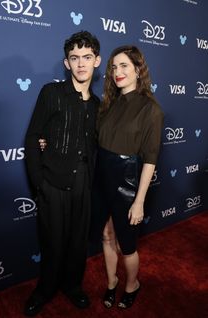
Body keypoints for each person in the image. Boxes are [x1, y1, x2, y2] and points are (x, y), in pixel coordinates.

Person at [24, 30, 101, 316]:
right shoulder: (51, 93)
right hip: (52, 182)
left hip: (84, 184)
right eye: (74, 58)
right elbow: (33, 138)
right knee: (52, 241)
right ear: (67, 63)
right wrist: (39, 184)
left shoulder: (98, 105)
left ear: (97, 60)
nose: (81, 63)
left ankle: (72, 286)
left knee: (77, 241)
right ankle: (44, 290)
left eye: (87, 57)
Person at [90, 45, 164, 309]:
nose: (117, 72)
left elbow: (151, 159)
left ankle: (132, 284)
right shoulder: (109, 103)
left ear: (137, 69)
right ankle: (112, 282)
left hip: (128, 183)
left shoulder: (150, 109)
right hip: (101, 180)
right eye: (113, 67)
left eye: (124, 66)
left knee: (127, 244)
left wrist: (139, 201)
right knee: (107, 235)